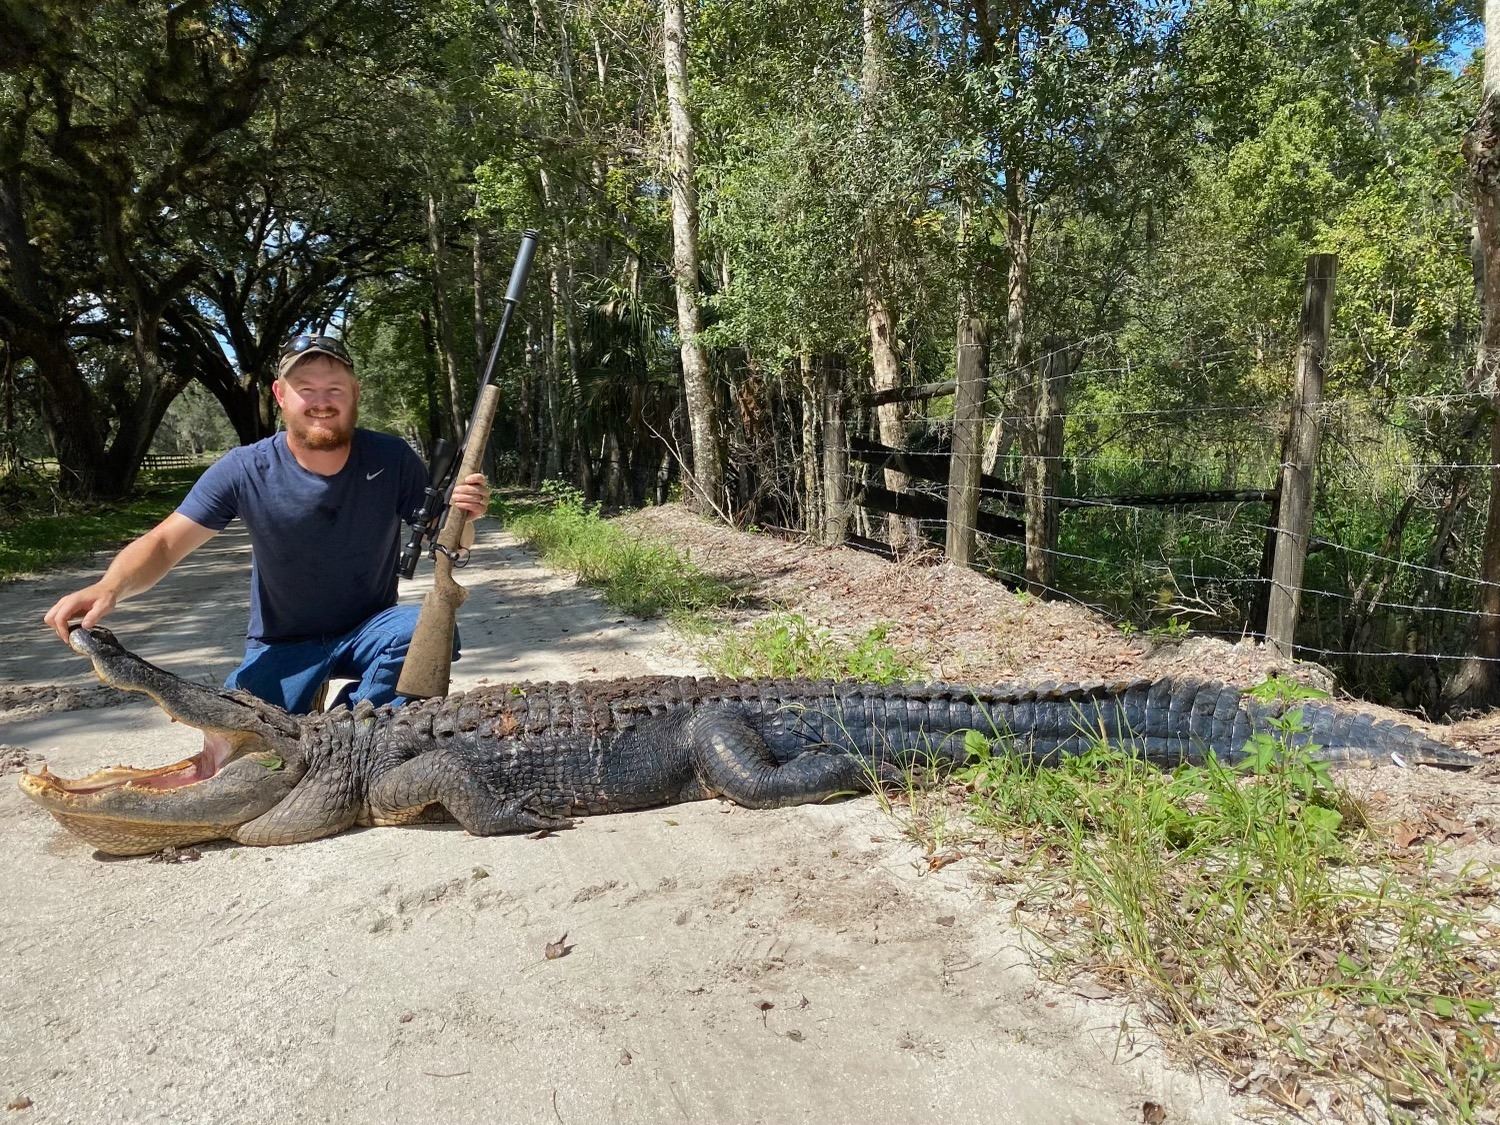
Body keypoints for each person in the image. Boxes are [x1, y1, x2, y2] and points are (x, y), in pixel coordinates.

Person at [43, 334, 490, 713]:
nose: (321, 402)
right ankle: (315, 716)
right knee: (243, 740)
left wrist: (463, 516)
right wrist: (110, 586)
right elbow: (164, 542)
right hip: (282, 643)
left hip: (371, 630)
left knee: (427, 628)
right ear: (280, 395)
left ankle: (350, 733)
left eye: (334, 389)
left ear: (355, 392)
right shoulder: (244, 468)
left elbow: (449, 541)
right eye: (305, 389)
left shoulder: (391, 457)